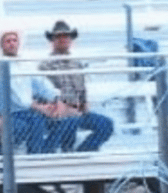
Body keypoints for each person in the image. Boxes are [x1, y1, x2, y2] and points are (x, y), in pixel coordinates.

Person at [38, 20, 114, 153]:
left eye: (66, 36)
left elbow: (82, 89)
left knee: (106, 124)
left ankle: (84, 151)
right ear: (53, 40)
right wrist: (63, 107)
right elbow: (45, 94)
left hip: (79, 111)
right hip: (59, 112)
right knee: (70, 121)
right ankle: (67, 153)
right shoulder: (46, 66)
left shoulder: (77, 64)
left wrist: (84, 103)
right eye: (59, 36)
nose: (63, 39)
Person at [0, 29, 71, 154]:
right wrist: (40, 107)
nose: (11, 43)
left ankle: (45, 153)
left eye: (14, 40)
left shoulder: (25, 64)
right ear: (2, 45)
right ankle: (34, 155)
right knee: (36, 120)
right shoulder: (0, 65)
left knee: (64, 120)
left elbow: (42, 84)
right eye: (8, 41)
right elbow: (18, 97)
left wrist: (56, 99)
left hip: (27, 110)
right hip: (10, 112)